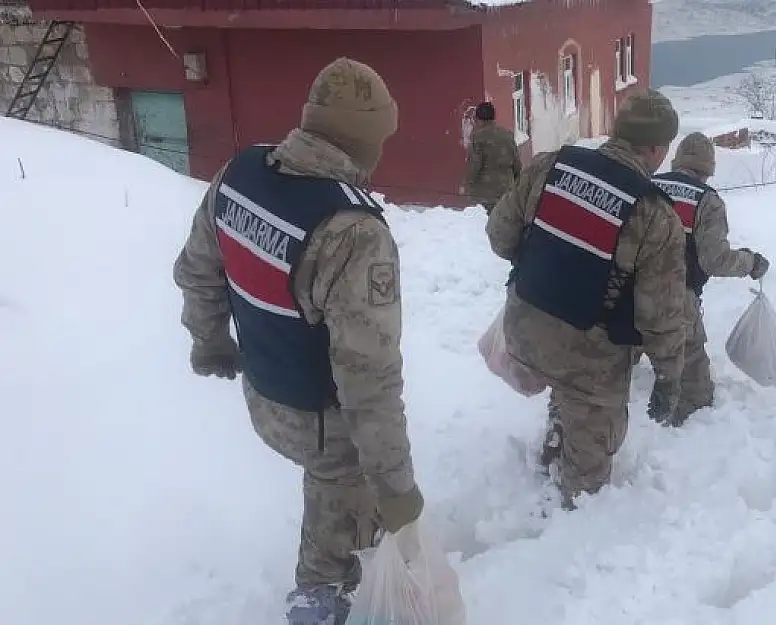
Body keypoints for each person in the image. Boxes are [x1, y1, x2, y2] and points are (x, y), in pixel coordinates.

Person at [172, 57, 424, 625]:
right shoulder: (355, 232)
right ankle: (320, 595)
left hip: (261, 393)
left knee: (344, 478)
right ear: (363, 141)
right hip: (318, 423)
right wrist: (396, 487)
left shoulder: (239, 173)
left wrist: (209, 342)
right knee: (347, 484)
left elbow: (196, 270)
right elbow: (370, 382)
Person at [485, 89, 688, 509]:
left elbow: (499, 237)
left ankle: (556, 437)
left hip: (523, 331)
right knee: (590, 472)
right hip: (588, 360)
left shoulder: (550, 164)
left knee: (569, 372)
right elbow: (660, 316)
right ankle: (571, 519)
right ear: (656, 148)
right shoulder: (655, 215)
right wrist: (669, 377)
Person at [649, 131, 771, 426]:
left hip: (629, 292)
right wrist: (751, 263)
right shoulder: (707, 202)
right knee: (694, 380)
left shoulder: (649, 186)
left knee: (621, 352)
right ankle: (682, 423)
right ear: (708, 168)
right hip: (676, 299)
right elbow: (715, 260)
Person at [463, 101, 522, 214]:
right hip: (506, 192)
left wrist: (467, 184)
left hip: (485, 194)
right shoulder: (507, 135)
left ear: (479, 119)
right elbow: (517, 165)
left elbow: (474, 166)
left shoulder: (478, 137)